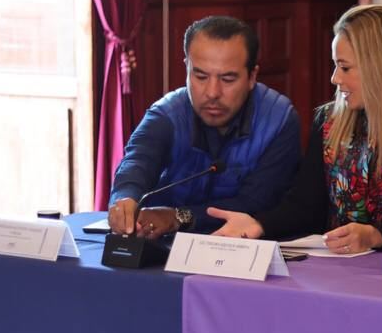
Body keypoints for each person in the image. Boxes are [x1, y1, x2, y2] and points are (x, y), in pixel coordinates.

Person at [209, 5, 382, 252]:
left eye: (344, 67)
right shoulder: (328, 121)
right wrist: (258, 225)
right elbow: (305, 207)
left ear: (381, 68)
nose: (335, 78)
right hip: (336, 271)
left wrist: (377, 235)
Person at [107, 16, 301, 238]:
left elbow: (254, 203)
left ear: (252, 77)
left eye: (227, 79)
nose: (212, 93)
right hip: (162, 247)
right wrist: (125, 199)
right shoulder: (166, 115)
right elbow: (137, 162)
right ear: (187, 69)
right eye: (200, 76)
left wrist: (176, 217)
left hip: (243, 251)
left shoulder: (279, 120)